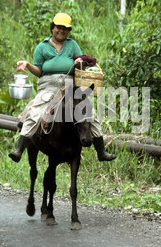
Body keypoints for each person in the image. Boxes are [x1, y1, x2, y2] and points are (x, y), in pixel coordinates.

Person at [9, 13, 116, 163]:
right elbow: (39, 71)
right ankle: (19, 149)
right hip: (49, 87)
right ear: (53, 27)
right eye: (59, 27)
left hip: (71, 87)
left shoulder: (72, 45)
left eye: (65, 28)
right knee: (35, 113)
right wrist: (27, 65)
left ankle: (101, 151)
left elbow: (82, 66)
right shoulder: (42, 47)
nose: (62, 31)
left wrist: (80, 61)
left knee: (90, 113)